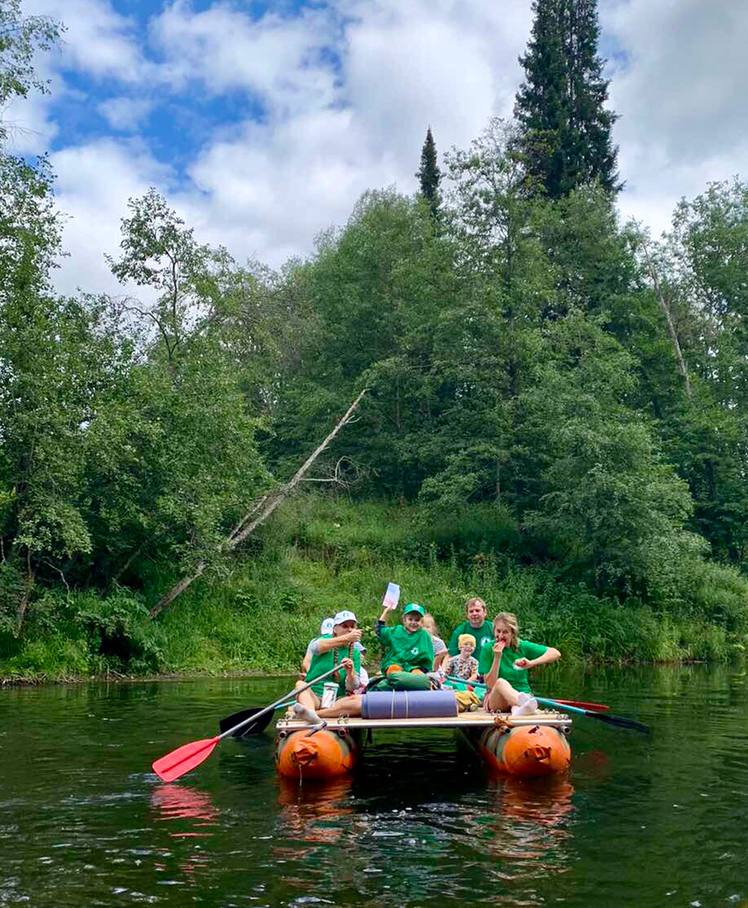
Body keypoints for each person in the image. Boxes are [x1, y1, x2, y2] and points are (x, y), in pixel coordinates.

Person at [480, 612, 561, 715]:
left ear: (512, 633)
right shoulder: (488, 649)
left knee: (517, 706)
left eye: (505, 632)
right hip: (497, 699)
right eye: (498, 631)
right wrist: (497, 657)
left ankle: (520, 707)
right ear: (494, 631)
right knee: (500, 682)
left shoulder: (522, 646)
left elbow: (555, 653)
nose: (500, 636)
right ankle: (529, 708)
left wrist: (532, 663)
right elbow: (490, 684)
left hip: (523, 693)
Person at [296, 610, 362, 713]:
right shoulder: (326, 640)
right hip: (315, 696)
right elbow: (316, 647)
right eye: (345, 626)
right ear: (335, 629)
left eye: (352, 626)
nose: (349, 629)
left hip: (337, 700)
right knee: (300, 685)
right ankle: (311, 711)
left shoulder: (356, 652)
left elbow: (353, 686)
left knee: (359, 702)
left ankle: (315, 715)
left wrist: (350, 672)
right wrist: (347, 638)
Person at [376, 602, 435, 675]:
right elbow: (380, 630)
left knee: (418, 675)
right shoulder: (396, 631)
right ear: (404, 620)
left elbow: (427, 658)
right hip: (395, 664)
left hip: (414, 667)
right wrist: (386, 612)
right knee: (394, 671)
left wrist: (422, 669)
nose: (413, 622)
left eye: (417, 620)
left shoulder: (424, 635)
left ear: (422, 622)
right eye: (410, 619)